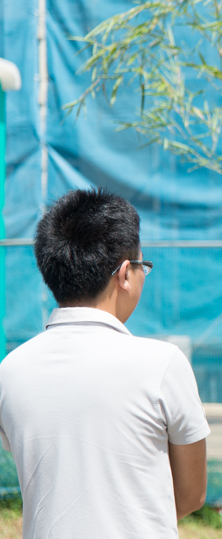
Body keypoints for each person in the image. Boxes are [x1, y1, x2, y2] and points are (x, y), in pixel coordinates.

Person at [0, 188, 210, 538]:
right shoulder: (162, 364)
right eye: (144, 266)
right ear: (125, 273)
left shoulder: (11, 370)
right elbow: (191, 493)